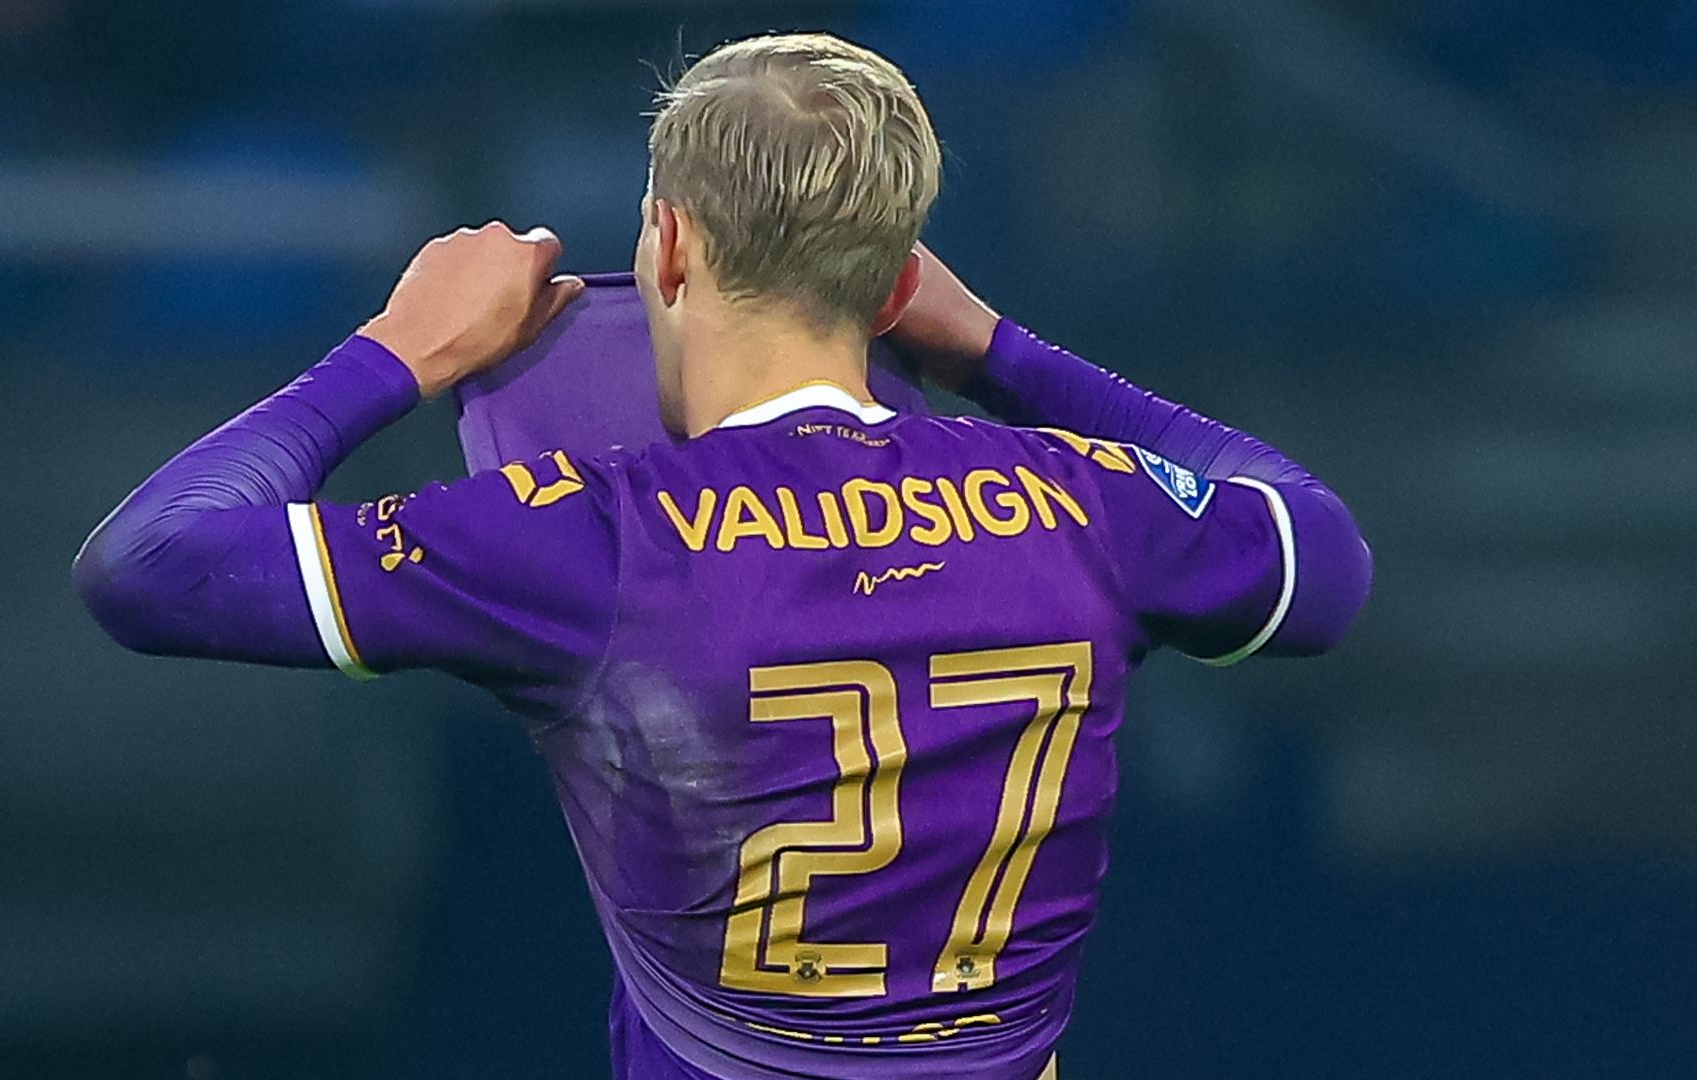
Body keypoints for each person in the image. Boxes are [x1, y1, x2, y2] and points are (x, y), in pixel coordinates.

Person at [75, 32, 1370, 1080]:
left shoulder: (590, 539)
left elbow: (155, 563)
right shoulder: (1082, 505)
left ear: (673, 244)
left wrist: (396, 351)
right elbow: (1322, 552)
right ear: (895, 279)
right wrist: (996, 351)